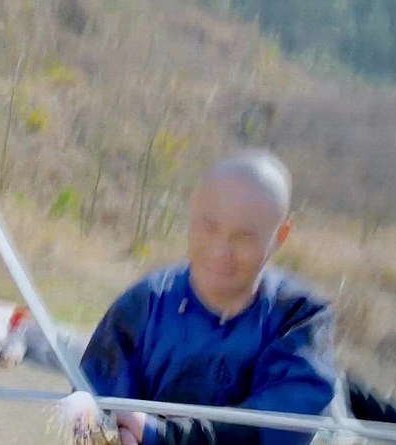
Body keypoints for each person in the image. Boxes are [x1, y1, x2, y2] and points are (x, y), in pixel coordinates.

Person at [79, 150, 336, 445]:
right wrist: (107, 433)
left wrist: (161, 436)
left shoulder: (299, 317)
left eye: (244, 237)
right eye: (209, 227)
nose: (220, 252)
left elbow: (279, 428)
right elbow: (93, 409)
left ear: (281, 235)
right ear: (193, 210)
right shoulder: (144, 303)